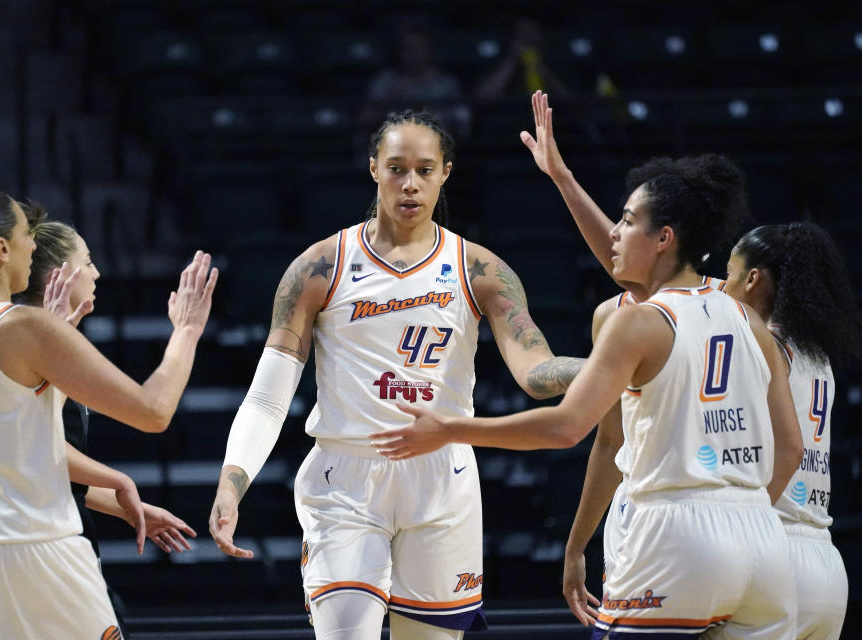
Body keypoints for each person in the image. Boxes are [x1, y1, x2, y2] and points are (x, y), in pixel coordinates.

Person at [370, 147, 805, 637]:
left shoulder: (636, 322)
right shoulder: (746, 317)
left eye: (626, 220)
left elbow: (566, 426)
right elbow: (791, 446)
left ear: (664, 238)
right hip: (763, 543)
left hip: (677, 534)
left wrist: (450, 429)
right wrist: (563, 178)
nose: (614, 233)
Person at [209, 110, 584, 639]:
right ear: (373, 169)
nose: (410, 184)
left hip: (442, 477)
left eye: (425, 170)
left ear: (446, 173)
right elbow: (268, 397)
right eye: (396, 168)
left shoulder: (480, 269)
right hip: (346, 476)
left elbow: (536, 371)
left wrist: (599, 367)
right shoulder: (319, 267)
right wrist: (232, 482)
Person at [524, 91, 857, 639]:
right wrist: (562, 179)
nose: (720, 280)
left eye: (730, 269)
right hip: (793, 548)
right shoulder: (789, 341)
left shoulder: (710, 315)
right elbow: (629, 265)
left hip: (693, 528)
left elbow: (637, 277)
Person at [0, 188, 216, 638]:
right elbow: (153, 412)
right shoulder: (26, 326)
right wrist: (186, 331)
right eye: (27, 234)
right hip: (28, 553)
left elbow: (8, 442)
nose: (34, 244)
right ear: (2, 248)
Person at [14, 216, 199, 636]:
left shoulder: (54, 336)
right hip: (38, 544)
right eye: (88, 260)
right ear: (57, 274)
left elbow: (52, 456)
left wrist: (125, 507)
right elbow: (152, 412)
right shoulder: (23, 337)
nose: (98, 272)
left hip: (55, 534)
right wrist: (187, 332)